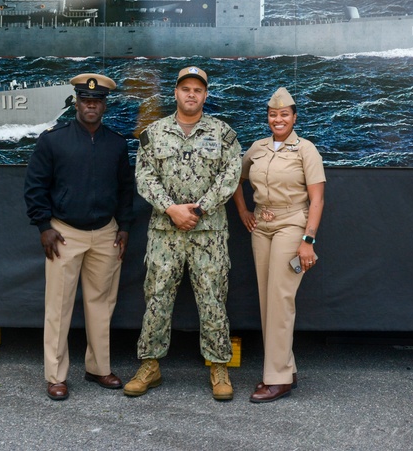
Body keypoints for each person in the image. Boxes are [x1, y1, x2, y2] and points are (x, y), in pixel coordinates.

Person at [124, 66, 242, 401]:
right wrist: (171, 209)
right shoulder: (154, 133)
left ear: (206, 95)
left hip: (209, 234)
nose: (191, 94)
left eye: (197, 90)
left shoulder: (223, 134)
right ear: (175, 93)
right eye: (185, 89)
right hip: (165, 231)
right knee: (157, 298)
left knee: (213, 300)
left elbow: (230, 176)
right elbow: (145, 177)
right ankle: (150, 365)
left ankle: (219, 366)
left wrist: (200, 208)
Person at [23, 72, 135, 402]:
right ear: (76, 102)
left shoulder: (116, 143)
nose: (91, 105)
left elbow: (126, 189)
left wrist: (124, 226)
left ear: (104, 106)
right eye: (86, 100)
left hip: (105, 234)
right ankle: (55, 376)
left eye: (97, 101)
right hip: (64, 234)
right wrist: (44, 226)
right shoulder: (53, 141)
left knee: (101, 305)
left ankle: (99, 368)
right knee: (58, 308)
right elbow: (35, 188)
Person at [232, 87, 325, 403]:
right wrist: (244, 210)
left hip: (291, 225)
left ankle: (277, 379)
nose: (278, 119)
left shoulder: (306, 150)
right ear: (268, 118)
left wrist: (307, 240)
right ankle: (287, 367)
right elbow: (237, 179)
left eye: (284, 114)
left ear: (294, 117)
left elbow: (317, 199)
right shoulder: (257, 149)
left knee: (280, 299)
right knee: (267, 300)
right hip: (262, 226)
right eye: (273, 114)